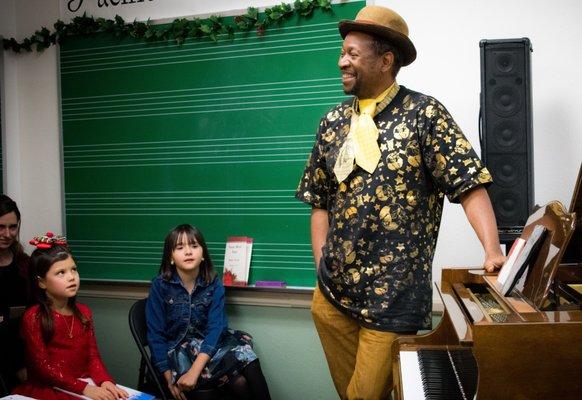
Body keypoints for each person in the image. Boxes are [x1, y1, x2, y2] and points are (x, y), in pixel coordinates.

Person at [295, 5, 506, 400]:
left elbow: (469, 184)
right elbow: (318, 200)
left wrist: (492, 249)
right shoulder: (332, 122)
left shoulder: (425, 114)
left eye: (353, 54)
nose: (342, 61)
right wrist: (321, 263)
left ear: (386, 60)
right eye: (342, 52)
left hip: (393, 301)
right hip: (331, 299)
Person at [146, 224, 271, 400]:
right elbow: (155, 336)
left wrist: (195, 372)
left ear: (203, 254)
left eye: (194, 246)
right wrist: (169, 378)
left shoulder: (212, 283)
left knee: (245, 363)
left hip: (206, 351)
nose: (188, 252)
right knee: (240, 376)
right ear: (171, 257)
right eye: (180, 248)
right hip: (176, 355)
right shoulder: (160, 286)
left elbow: (216, 328)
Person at [12, 233, 128, 400]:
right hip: (51, 388)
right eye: (61, 272)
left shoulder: (84, 312)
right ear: (41, 282)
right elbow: (43, 369)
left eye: (74, 269)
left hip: (82, 384)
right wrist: (84, 389)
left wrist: (105, 381)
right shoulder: (34, 317)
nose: (71, 277)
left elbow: (93, 356)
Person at [0, 195, 30, 393]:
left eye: (13, 227)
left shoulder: (23, 263)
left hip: (22, 342)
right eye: (1, 227)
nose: (7, 234)